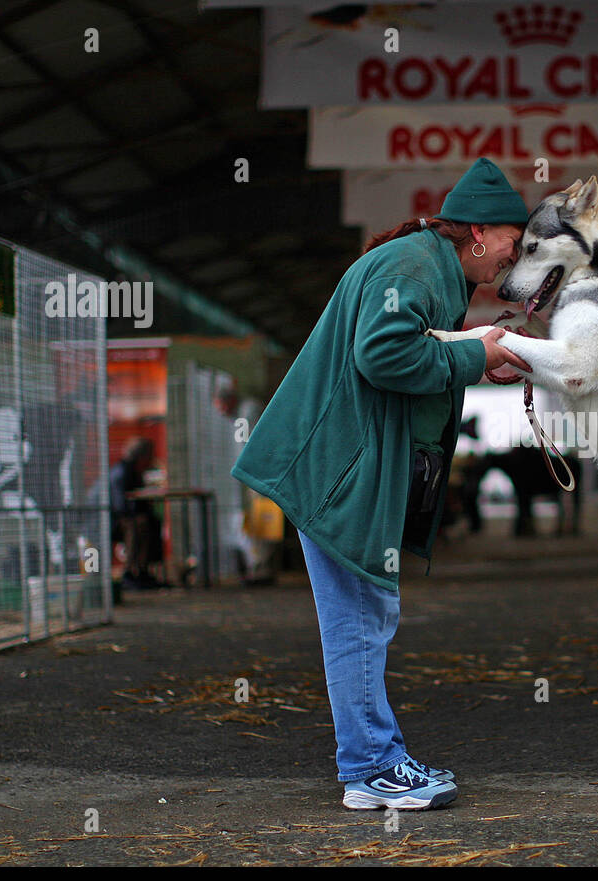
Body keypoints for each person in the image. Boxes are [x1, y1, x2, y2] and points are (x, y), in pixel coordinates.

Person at [232, 158, 531, 811]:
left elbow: (416, 344)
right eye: (514, 240)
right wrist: (476, 354)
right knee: (360, 618)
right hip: (342, 468)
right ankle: (370, 765)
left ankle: (371, 766)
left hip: (346, 464)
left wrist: (481, 353)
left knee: (363, 615)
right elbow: (383, 354)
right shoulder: (415, 266)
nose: (516, 256)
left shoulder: (426, 264)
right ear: (478, 232)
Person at [109, 437, 165, 590]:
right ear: (142, 457)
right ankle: (132, 571)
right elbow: (121, 507)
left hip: (121, 517)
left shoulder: (132, 470)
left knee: (151, 521)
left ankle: (143, 571)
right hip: (111, 521)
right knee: (138, 524)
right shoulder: (122, 472)